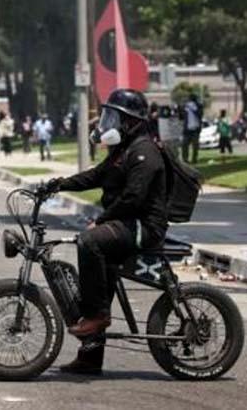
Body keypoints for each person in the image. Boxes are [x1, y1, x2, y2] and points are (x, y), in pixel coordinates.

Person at [44, 88, 168, 374]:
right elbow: (95, 176)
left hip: (144, 226)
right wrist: (57, 184)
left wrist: (101, 221)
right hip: (126, 222)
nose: (109, 122)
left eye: (115, 117)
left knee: (89, 241)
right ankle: (90, 358)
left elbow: (133, 199)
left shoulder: (143, 151)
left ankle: (98, 316)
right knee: (99, 283)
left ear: (131, 121)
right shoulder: (123, 151)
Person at [181, 94, 202, 163]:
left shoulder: (198, 106)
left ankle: (194, 159)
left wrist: (193, 108)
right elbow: (181, 116)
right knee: (185, 145)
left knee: (195, 145)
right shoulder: (185, 106)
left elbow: (200, 114)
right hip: (187, 129)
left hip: (195, 129)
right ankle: (185, 159)